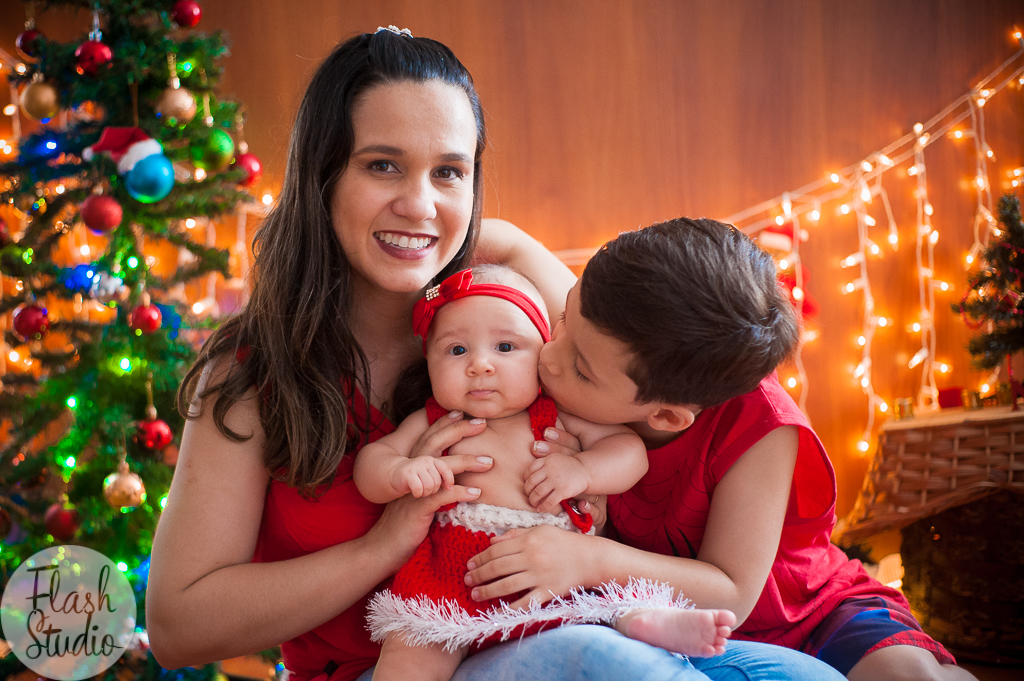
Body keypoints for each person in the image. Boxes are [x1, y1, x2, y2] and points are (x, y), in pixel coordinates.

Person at [146, 26, 845, 681]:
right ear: (322, 177)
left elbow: (677, 350)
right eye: (383, 165)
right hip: (404, 658)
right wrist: (383, 545)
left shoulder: (520, 327)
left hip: (547, 619)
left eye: (449, 172)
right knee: (601, 660)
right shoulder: (251, 369)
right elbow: (177, 625)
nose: (420, 205)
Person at [464, 218, 977, 681]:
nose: (548, 357)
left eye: (579, 369)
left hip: (803, 609)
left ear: (666, 416)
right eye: (562, 318)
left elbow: (732, 589)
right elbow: (508, 241)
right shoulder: (600, 329)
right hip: (665, 619)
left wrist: (588, 558)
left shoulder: (760, 426)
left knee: (906, 675)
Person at [355, 264, 735, 681]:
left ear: (540, 350)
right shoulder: (434, 422)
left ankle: (651, 626)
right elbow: (372, 463)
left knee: (612, 602)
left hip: (559, 573)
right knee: (412, 647)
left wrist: (582, 470)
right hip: (456, 576)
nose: (480, 365)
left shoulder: (557, 416)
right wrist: (403, 471)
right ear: (428, 360)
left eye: (505, 347)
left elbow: (629, 453)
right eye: (457, 350)